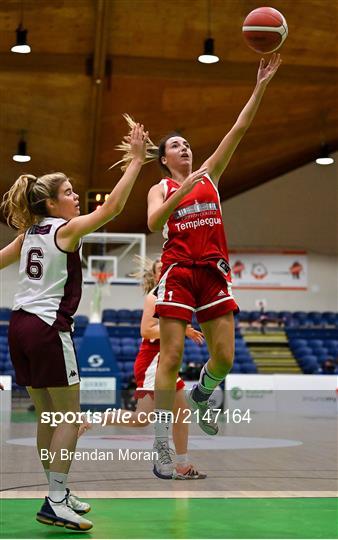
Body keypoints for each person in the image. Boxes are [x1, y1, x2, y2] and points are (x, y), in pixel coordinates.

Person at [114, 53, 281, 479]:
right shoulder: (162, 185)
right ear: (165, 159)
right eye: (175, 146)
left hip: (213, 272)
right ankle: (162, 448)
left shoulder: (210, 175)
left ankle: (206, 392)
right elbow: (152, 222)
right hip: (179, 271)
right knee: (169, 356)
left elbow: (238, 129)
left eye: (186, 144)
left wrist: (260, 86)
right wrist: (178, 191)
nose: (184, 147)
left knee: (223, 358)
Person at [0, 123, 148, 529]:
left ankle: (58, 492)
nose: (75, 198)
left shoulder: (28, 235)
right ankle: (55, 499)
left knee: (48, 418)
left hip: (18, 327)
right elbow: (113, 209)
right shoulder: (66, 231)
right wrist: (135, 162)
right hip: (48, 328)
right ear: (50, 204)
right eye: (67, 193)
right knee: (68, 418)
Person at [79, 257, 206, 480]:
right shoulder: (154, 296)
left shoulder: (177, 296)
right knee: (142, 418)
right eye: (160, 269)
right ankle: (92, 418)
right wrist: (181, 329)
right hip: (153, 361)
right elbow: (146, 331)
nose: (165, 271)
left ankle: (183, 464)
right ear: (156, 275)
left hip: (167, 361)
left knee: (181, 414)